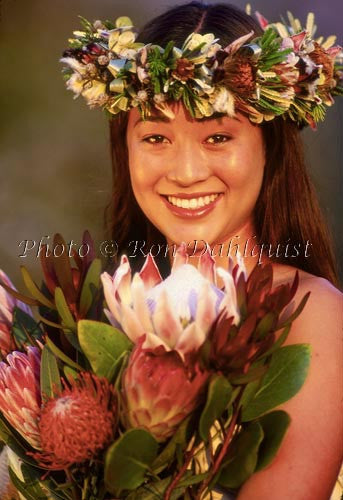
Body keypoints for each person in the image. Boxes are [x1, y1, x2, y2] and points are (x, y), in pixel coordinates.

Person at [62, 2, 343, 498]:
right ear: (124, 149)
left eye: (217, 136)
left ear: (269, 147)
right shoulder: (101, 319)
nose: (186, 172)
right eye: (155, 137)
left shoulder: (313, 315)